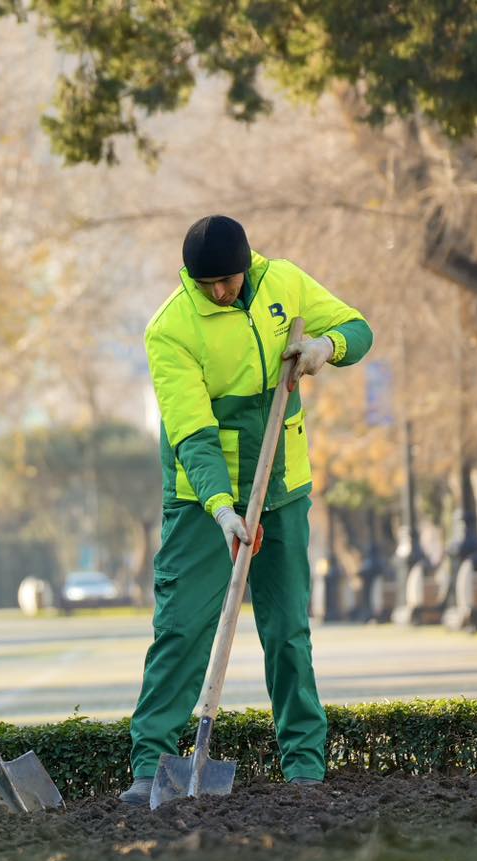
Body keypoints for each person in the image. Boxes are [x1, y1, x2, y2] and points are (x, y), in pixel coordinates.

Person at [120, 216, 373, 806]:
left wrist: (324, 348)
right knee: (181, 630)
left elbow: (359, 329)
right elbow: (193, 433)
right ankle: (150, 766)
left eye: (227, 281)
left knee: (288, 632)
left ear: (247, 266)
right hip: (201, 503)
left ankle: (305, 767)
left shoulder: (284, 282)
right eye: (205, 284)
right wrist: (221, 510)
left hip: (283, 488)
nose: (218, 293)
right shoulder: (171, 329)